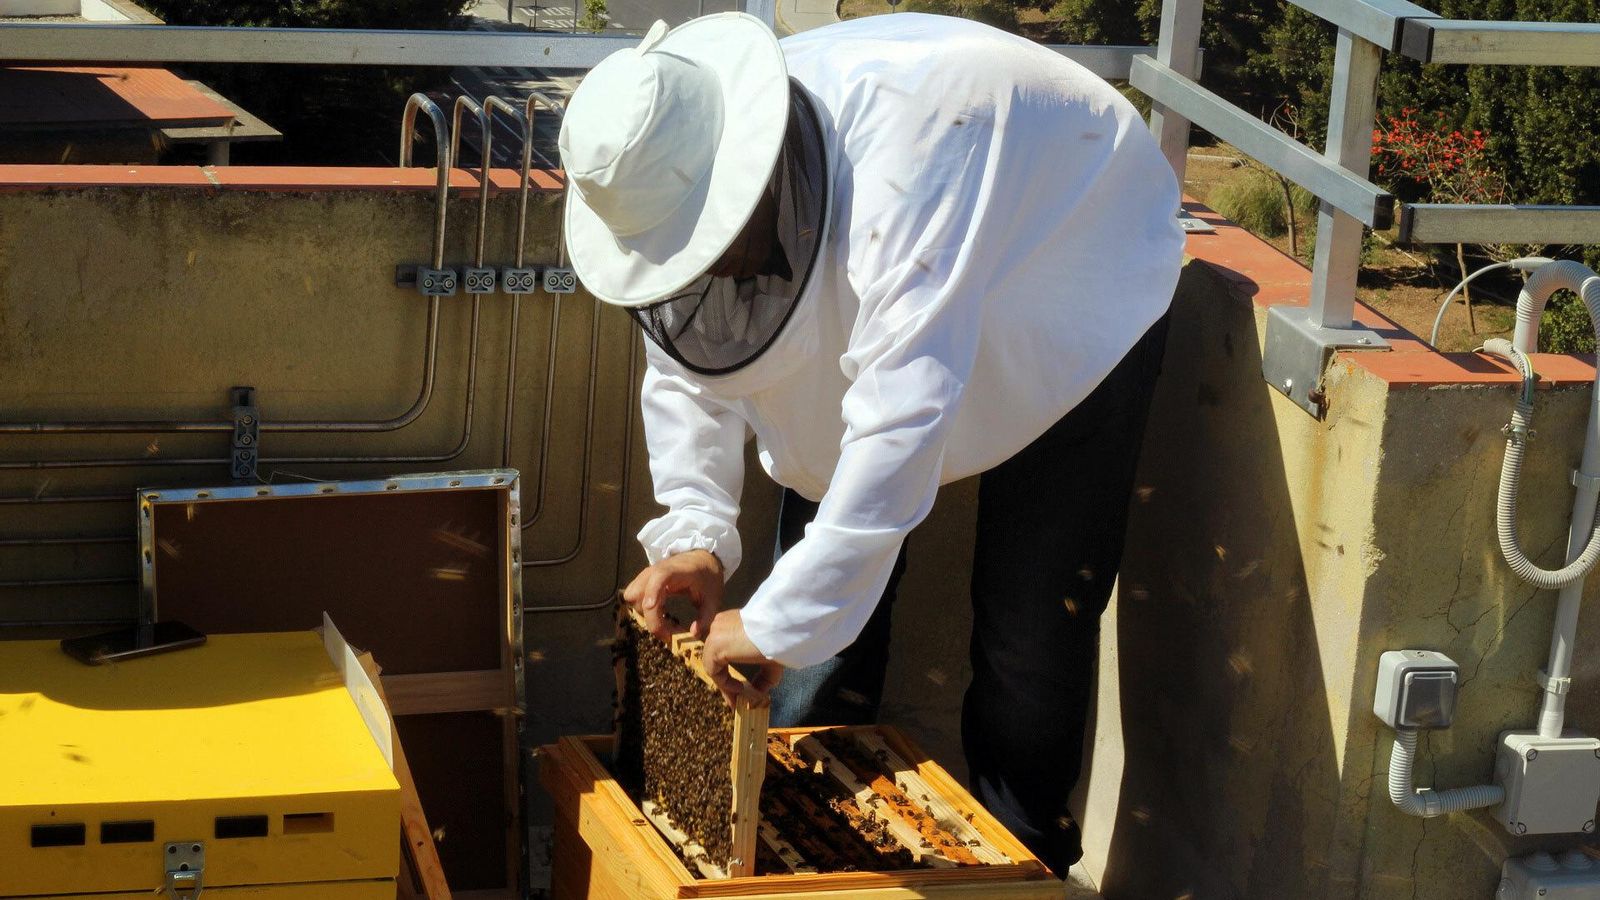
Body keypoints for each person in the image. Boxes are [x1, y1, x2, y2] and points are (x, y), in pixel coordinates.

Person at [557, 10, 1184, 873]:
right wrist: (697, 530)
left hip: (1078, 263)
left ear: (745, 175)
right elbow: (682, 366)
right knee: (813, 632)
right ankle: (790, 842)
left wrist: (780, 619)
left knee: (1030, 625)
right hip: (919, 286)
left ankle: (1028, 865)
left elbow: (902, 418)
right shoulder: (682, 162)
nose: (703, 275)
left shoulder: (909, 160)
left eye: (702, 247)